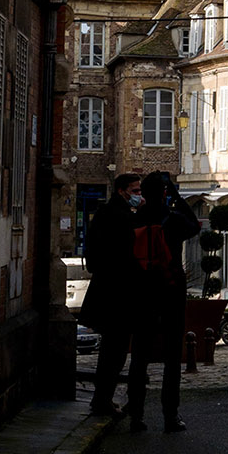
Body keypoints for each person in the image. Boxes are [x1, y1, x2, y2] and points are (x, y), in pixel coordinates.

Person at [125, 170, 200, 433]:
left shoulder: (136, 220)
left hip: (143, 292)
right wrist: (177, 196)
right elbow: (195, 224)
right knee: (171, 358)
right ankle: (170, 415)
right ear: (165, 193)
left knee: (140, 356)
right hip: (171, 291)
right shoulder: (175, 219)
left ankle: (136, 415)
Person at [81, 172, 145, 416]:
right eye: (135, 190)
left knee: (113, 349)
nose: (139, 195)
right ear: (122, 191)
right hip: (117, 292)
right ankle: (102, 400)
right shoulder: (121, 217)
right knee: (114, 351)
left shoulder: (107, 213)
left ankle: (102, 398)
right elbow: (127, 254)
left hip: (108, 288)